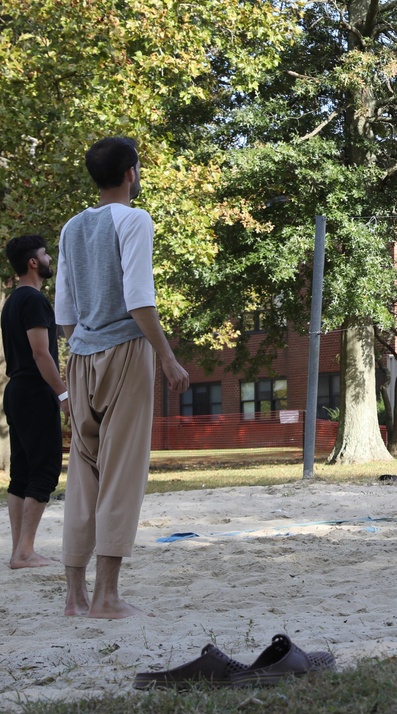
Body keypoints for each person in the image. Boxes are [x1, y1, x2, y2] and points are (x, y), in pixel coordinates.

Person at [55, 137, 190, 618]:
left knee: (83, 474)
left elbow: (65, 311)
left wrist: (79, 360)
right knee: (122, 472)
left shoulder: (71, 228)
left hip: (81, 356)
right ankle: (107, 597)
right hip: (126, 352)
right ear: (131, 172)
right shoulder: (135, 220)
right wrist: (168, 358)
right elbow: (139, 299)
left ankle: (75, 596)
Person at [2, 235, 70, 568]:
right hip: (34, 390)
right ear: (33, 262)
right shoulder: (34, 301)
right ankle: (25, 551)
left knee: (22, 472)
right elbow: (41, 353)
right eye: (45, 254)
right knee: (44, 470)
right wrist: (63, 393)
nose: (49, 259)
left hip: (15, 390)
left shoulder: (12, 302)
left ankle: (19, 551)